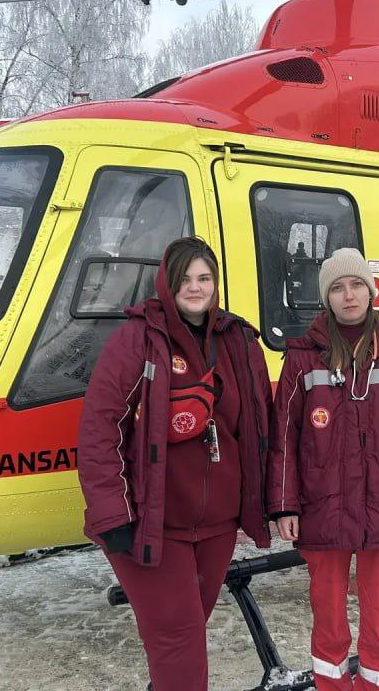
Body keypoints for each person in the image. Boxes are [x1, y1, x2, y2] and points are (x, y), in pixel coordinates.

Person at [78, 236, 273, 691]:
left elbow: (262, 425)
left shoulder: (239, 340)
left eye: (204, 278)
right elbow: (100, 430)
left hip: (218, 526)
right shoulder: (138, 340)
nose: (195, 287)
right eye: (184, 278)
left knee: (185, 634)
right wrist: (111, 513)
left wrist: (272, 499)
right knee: (178, 637)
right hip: (153, 524)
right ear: (166, 283)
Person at [267, 247, 379, 691]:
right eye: (337, 287)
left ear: (371, 292)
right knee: (328, 621)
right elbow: (284, 436)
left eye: (356, 285)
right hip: (322, 507)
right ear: (325, 297)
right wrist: (285, 505)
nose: (348, 295)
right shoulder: (302, 358)